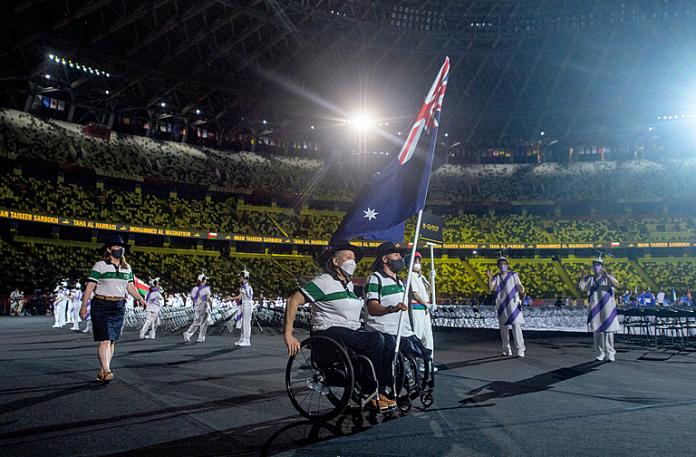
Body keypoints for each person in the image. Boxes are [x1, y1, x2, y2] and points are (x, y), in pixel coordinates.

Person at [283, 240, 394, 411]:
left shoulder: (349, 285)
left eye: (354, 259)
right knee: (375, 340)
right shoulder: (323, 282)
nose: (353, 262)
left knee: (389, 341)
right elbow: (293, 300)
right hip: (328, 331)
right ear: (336, 261)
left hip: (350, 329)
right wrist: (289, 334)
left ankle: (380, 389)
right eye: (348, 257)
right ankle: (369, 391)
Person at [364, 242, 430, 404]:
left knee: (424, 353)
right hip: (384, 329)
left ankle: (415, 384)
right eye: (396, 255)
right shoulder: (375, 278)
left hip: (403, 330)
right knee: (390, 349)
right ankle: (379, 390)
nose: (400, 258)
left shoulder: (400, 282)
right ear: (385, 259)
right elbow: (372, 308)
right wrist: (391, 309)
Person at [80, 235, 147, 382]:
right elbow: (90, 286)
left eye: (121, 247)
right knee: (104, 339)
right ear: (109, 249)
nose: (120, 249)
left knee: (112, 340)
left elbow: (130, 286)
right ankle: (107, 370)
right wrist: (84, 306)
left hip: (118, 306)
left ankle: (104, 369)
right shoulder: (100, 265)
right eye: (116, 246)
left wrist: (140, 298)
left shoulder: (127, 268)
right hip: (101, 304)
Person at [578, 255, 620, 362]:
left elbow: (617, 285)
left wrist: (608, 276)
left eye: (598, 265)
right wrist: (582, 277)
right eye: (594, 265)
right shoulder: (590, 279)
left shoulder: (607, 277)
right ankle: (600, 352)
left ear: (602, 266)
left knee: (609, 330)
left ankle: (610, 353)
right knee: (597, 331)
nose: (596, 267)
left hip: (608, 307)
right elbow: (581, 288)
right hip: (595, 308)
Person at [486, 255, 526, 358]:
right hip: (501, 304)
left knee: (516, 326)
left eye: (504, 264)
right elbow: (490, 288)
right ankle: (506, 349)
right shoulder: (496, 277)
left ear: (507, 265)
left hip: (513, 303)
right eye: (500, 264)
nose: (502, 266)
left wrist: (521, 290)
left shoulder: (513, 275)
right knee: (503, 328)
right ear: (498, 266)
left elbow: (519, 286)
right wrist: (489, 278)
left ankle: (520, 349)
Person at [405, 251, 436, 369]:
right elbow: (416, 294)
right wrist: (427, 305)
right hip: (416, 307)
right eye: (415, 261)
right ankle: (416, 362)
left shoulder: (421, 277)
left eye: (419, 260)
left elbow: (427, 294)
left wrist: (431, 280)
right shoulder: (410, 276)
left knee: (428, 337)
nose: (418, 263)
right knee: (418, 334)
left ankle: (427, 362)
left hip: (424, 309)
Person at [183, 274, 212, 343]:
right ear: (203, 281)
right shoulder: (206, 288)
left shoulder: (195, 289)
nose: (206, 281)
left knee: (197, 321)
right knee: (203, 322)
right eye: (205, 280)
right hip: (204, 306)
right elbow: (208, 298)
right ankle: (201, 338)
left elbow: (193, 298)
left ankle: (188, 333)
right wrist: (211, 304)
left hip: (197, 306)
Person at [230, 269, 254, 347]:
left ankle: (247, 340)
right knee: (244, 322)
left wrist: (230, 299)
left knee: (246, 323)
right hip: (245, 304)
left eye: (240, 277)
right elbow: (240, 298)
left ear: (244, 277)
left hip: (247, 304)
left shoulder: (245, 286)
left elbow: (240, 297)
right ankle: (242, 339)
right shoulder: (246, 286)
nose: (239, 279)